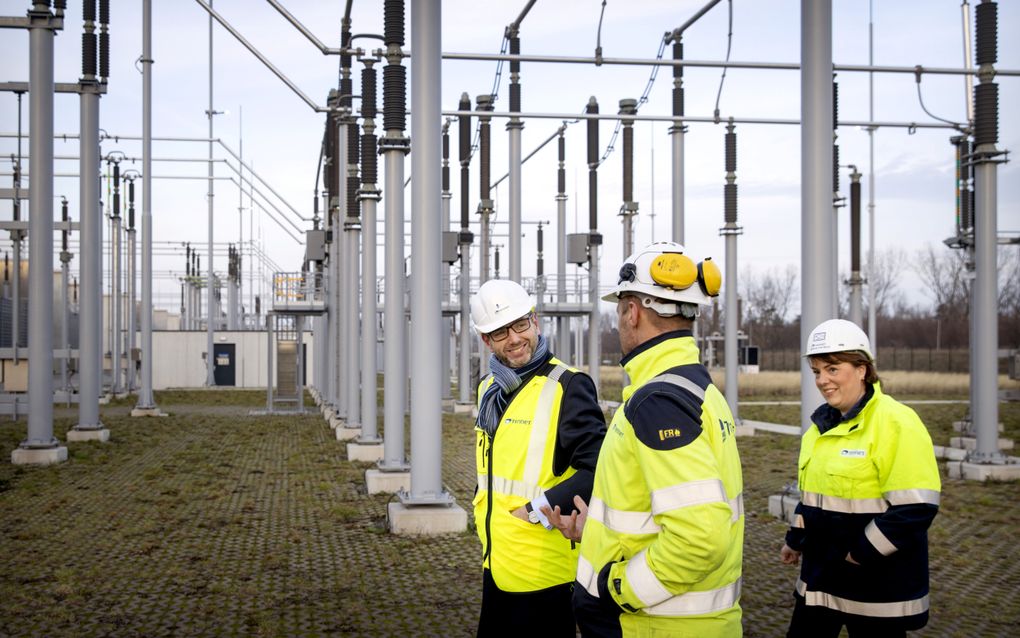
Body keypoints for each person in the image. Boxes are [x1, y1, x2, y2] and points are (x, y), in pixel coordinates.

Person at [544, 241, 744, 637]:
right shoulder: (697, 389)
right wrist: (597, 532)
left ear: (632, 312)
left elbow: (701, 538)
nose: (620, 320)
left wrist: (616, 588)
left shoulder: (659, 402)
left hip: (655, 625)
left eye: (620, 310)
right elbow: (673, 505)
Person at [780, 319, 941, 637]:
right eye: (817, 371)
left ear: (862, 369)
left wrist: (859, 555)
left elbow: (916, 508)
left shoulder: (897, 422)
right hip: (819, 584)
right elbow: (814, 499)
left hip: (875, 590)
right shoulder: (818, 430)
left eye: (832, 369)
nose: (822, 380)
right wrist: (795, 540)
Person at [469, 278, 606, 637]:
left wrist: (533, 511)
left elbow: (597, 469)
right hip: (496, 563)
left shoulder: (569, 385)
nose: (514, 339)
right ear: (487, 340)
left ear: (535, 319)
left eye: (520, 325)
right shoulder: (488, 389)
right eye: (500, 332)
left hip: (545, 574)